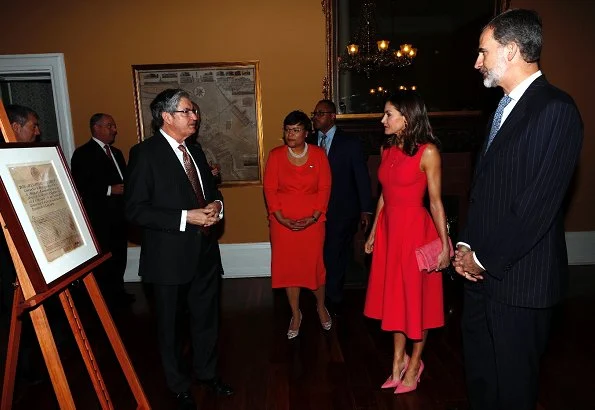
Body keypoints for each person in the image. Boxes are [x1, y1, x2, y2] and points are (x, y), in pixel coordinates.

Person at [452, 9, 583, 410]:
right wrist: (464, 246)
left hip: (520, 282)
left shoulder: (556, 110)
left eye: (483, 51)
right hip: (479, 278)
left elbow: (536, 208)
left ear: (510, 51)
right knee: (481, 379)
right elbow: (486, 190)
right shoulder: (501, 107)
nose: (477, 62)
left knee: (513, 390)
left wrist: (483, 259)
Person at [125, 89, 233, 409]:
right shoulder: (145, 154)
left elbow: (212, 192)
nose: (195, 116)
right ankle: (177, 385)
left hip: (204, 253)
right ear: (167, 117)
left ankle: (207, 374)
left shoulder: (195, 150)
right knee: (170, 328)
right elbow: (134, 210)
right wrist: (187, 217)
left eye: (194, 111)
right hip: (167, 258)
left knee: (206, 319)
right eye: (187, 111)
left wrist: (217, 207)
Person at [363, 91, 450, 394]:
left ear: (406, 118)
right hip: (390, 233)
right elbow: (384, 195)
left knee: (416, 302)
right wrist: (374, 232)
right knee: (395, 302)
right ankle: (397, 361)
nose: (382, 119)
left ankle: (415, 364)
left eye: (388, 114)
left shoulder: (428, 152)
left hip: (415, 232)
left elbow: (437, 203)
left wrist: (444, 243)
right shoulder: (387, 150)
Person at [263, 110, 332, 339]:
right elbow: (270, 189)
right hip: (283, 224)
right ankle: (295, 313)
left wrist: (313, 216)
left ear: (306, 132)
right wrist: (279, 217)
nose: (290, 134)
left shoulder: (319, 155)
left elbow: (324, 188)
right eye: (287, 129)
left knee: (314, 266)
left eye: (295, 130)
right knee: (289, 269)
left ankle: (320, 307)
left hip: (313, 223)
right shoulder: (275, 156)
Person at [307, 99, 372, 315]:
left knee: (335, 253)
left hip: (343, 209)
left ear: (332, 116)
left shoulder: (350, 143)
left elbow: (361, 176)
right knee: (318, 252)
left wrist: (366, 209)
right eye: (314, 113)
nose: (315, 117)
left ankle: (332, 299)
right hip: (314, 209)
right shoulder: (309, 141)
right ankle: (318, 294)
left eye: (320, 113)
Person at [71, 113, 133, 306]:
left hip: (120, 215)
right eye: (109, 126)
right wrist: (109, 189)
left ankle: (118, 291)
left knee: (120, 254)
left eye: (113, 126)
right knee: (104, 257)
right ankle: (103, 298)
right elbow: (80, 185)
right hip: (99, 216)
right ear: (96, 128)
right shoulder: (83, 154)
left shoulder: (116, 153)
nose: (114, 129)